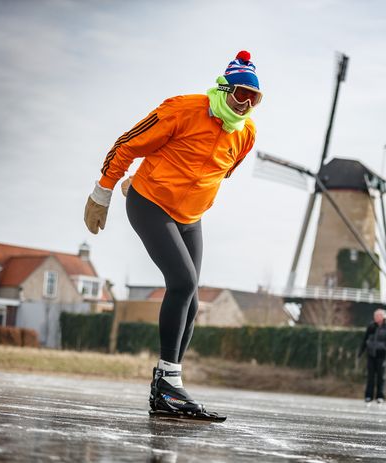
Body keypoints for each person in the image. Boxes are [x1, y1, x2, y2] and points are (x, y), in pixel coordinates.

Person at [83, 51, 262, 419]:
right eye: (239, 94)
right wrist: (103, 192)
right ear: (223, 89)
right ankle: (169, 386)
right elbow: (127, 143)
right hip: (150, 205)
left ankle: (167, 389)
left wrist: (178, 182)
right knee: (181, 283)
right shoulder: (184, 109)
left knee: (192, 301)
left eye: (253, 98)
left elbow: (218, 171)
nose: (244, 104)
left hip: (191, 217)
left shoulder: (246, 134)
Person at [358, 308, 386, 404]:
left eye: (377, 316)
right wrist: (361, 351)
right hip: (371, 354)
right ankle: (368, 396)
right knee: (370, 376)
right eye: (375, 316)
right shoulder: (371, 327)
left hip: (382, 355)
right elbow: (365, 339)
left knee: (381, 377)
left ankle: (380, 396)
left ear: (382, 317)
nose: (375, 317)